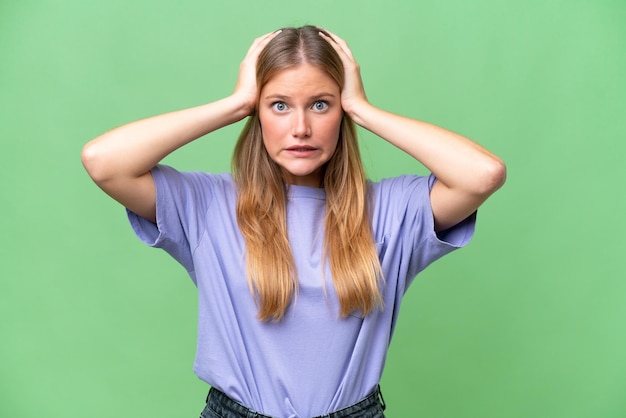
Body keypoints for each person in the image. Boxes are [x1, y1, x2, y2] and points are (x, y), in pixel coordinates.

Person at [82, 25, 506, 418]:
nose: (301, 127)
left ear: (342, 112)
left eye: (321, 105)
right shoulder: (207, 204)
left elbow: (482, 174)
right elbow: (103, 162)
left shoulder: (392, 210)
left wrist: (364, 109)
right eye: (279, 105)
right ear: (258, 114)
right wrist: (233, 105)